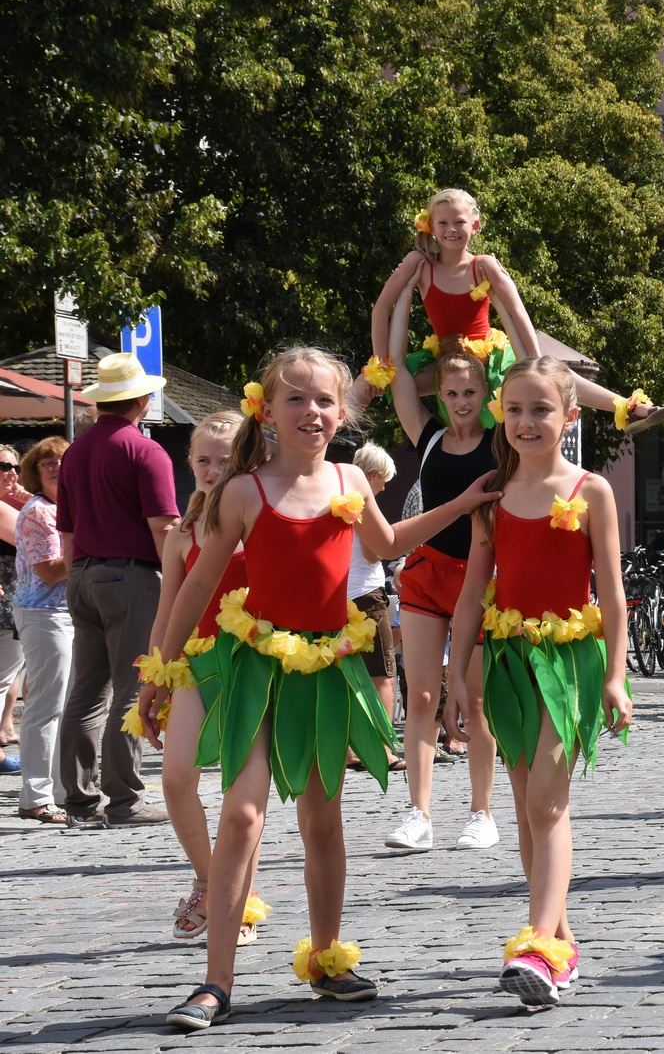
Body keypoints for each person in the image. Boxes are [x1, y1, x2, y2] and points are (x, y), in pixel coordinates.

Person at [135, 346, 500, 1029]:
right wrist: (161, 669)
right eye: (296, 399)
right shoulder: (243, 491)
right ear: (266, 410)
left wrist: (459, 502)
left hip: (327, 669)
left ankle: (328, 958)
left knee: (321, 820)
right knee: (242, 816)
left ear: (342, 412)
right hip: (256, 671)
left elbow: (388, 544)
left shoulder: (349, 483)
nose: (312, 411)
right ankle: (216, 980)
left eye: (324, 400)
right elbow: (197, 586)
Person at [446, 356, 633, 1005]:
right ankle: (562, 942)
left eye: (542, 409)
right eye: (516, 408)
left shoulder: (591, 491)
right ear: (501, 412)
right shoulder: (491, 494)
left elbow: (611, 590)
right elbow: (472, 593)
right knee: (529, 806)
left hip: (571, 661)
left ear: (570, 416)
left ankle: (537, 944)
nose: (527, 421)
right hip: (507, 661)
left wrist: (616, 674)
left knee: (548, 801)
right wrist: (455, 677)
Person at [365, 187, 664, 433]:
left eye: (459, 222)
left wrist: (538, 362)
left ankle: (631, 409)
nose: (451, 229)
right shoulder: (419, 263)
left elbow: (518, 311)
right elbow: (380, 309)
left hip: (489, 359)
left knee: (556, 375)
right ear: (431, 226)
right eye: (443, 223)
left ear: (475, 226)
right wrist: (381, 364)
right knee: (385, 380)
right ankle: (336, 418)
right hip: (446, 362)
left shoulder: (482, 264)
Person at [129, 412, 271, 941]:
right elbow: (167, 613)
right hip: (194, 663)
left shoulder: (263, 520)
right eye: (203, 460)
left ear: (250, 459)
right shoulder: (181, 533)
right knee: (175, 777)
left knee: (241, 792)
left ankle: (238, 901)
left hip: (255, 662)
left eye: (226, 459)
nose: (213, 470)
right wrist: (155, 676)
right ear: (188, 463)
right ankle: (213, 882)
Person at [381, 303, 504, 853]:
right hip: (428, 573)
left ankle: (482, 811)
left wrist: (497, 291)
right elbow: (397, 368)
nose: (460, 403)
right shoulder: (427, 436)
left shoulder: (500, 441)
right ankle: (419, 813)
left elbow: (529, 357)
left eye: (471, 393)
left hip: (480, 577)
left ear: (486, 395)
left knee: (477, 701)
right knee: (423, 693)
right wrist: (405, 287)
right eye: (451, 394)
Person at [56, 352, 180, 829]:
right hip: (129, 577)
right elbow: (163, 527)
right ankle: (125, 800)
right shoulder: (145, 451)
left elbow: (67, 533)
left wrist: (77, 578)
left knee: (86, 693)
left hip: (83, 574)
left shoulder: (75, 452)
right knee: (131, 689)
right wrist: (178, 582)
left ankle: (79, 800)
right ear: (143, 400)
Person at [13, 438, 74, 822]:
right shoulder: (39, 511)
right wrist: (88, 540)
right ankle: (36, 795)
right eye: (45, 462)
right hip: (42, 613)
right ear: (35, 473)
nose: (54, 467)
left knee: (68, 705)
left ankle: (63, 790)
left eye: (62, 461)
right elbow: (50, 571)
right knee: (46, 705)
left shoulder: (68, 509)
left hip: (68, 613)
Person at [347, 444, 405, 771]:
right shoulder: (364, 506)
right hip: (367, 598)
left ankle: (350, 750)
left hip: (339, 598)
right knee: (382, 674)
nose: (384, 488)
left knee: (349, 677)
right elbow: (374, 553)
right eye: (382, 481)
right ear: (372, 476)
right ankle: (384, 750)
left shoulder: (335, 502)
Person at [0, 443, 27, 763]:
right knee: (4, 675)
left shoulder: (15, 502)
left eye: (15, 467)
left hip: (16, 594)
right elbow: (44, 535)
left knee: (11, 673)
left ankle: (5, 730)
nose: (10, 473)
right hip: (8, 600)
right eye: (3, 466)